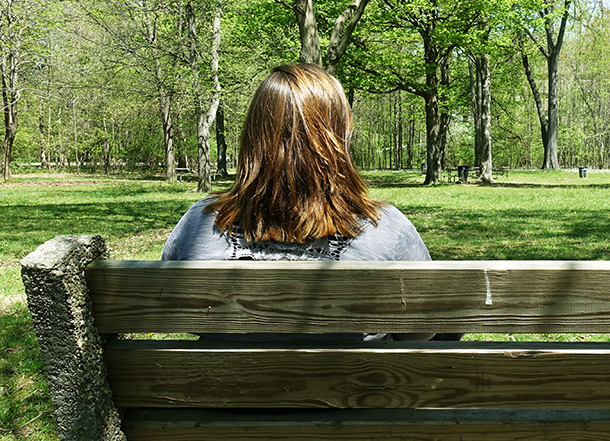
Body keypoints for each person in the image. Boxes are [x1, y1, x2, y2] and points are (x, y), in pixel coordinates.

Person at [162, 63, 441, 342]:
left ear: (255, 138)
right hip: (355, 385)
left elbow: (177, 310)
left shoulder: (200, 223)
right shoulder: (384, 227)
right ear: (337, 138)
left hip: (221, 384)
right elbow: (423, 330)